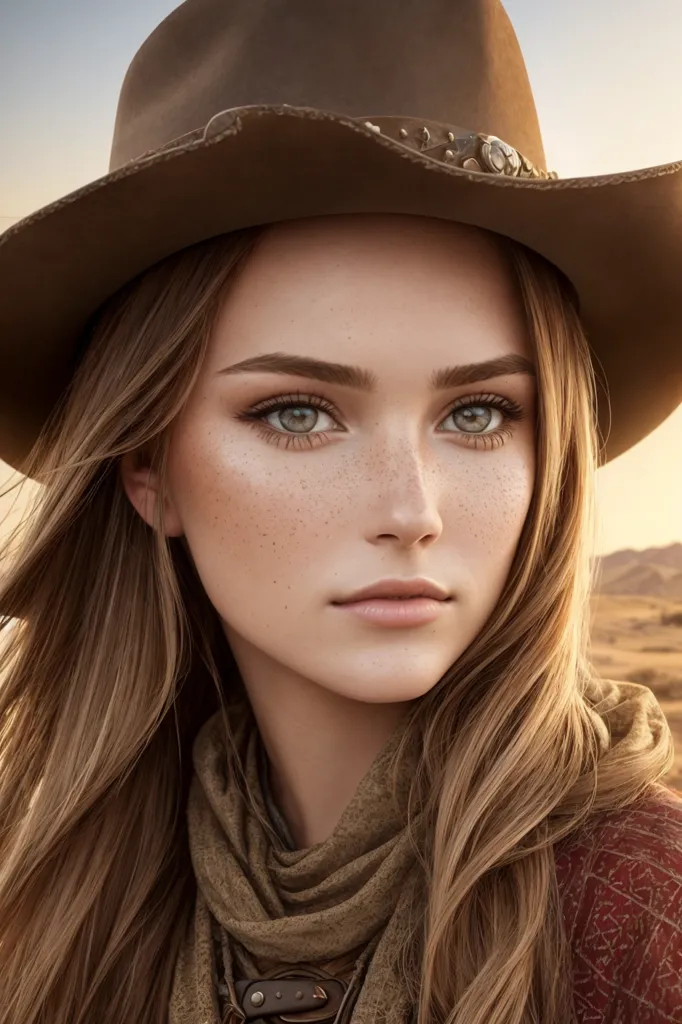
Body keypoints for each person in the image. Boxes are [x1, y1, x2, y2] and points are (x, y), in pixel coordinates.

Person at [0, 1, 681, 1022]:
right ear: (148, 466)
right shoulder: (53, 897)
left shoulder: (644, 925)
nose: (411, 511)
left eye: (480, 412)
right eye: (299, 411)